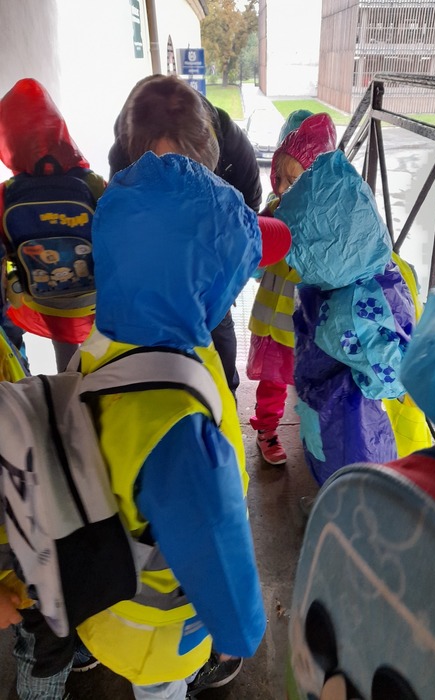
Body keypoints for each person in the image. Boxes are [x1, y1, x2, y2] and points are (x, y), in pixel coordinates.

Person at [73, 100, 266, 698]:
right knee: (161, 692)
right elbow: (218, 559)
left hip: (99, 598)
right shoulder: (179, 426)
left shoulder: (100, 346)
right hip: (154, 629)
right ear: (206, 285)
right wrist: (242, 633)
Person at [107, 74, 263, 397]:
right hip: (157, 250)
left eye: (186, 165)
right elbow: (122, 221)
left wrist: (222, 269)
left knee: (218, 329)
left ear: (205, 146)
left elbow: (249, 210)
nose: (176, 178)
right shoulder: (122, 154)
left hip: (212, 240)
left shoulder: (234, 147)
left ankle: (226, 395)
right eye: (162, 166)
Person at [275, 148, 416, 487]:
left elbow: (391, 378)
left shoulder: (351, 312)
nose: (295, 262)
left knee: (353, 488)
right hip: (334, 416)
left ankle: (342, 512)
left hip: (354, 430)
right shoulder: (379, 272)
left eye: (301, 251)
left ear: (330, 251)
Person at [247, 112, 337, 465]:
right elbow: (256, 260)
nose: (283, 188)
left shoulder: (326, 221)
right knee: (272, 381)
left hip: (307, 323)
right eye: (279, 178)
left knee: (308, 379)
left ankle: (313, 430)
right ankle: (266, 429)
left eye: (293, 180)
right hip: (274, 317)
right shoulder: (273, 210)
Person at [0, 78, 106, 372]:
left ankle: (67, 388)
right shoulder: (92, 184)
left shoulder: (6, 194)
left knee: (65, 356)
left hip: (43, 300)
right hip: (95, 297)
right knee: (103, 350)